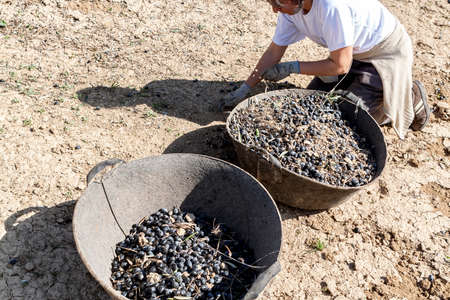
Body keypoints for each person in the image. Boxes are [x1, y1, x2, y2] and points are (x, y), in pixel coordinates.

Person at [219, 0, 430, 139]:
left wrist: (293, 67)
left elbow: (340, 65)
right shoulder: (290, 9)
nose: (274, 8)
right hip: (350, 53)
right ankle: (361, 87)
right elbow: (274, 51)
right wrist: (245, 88)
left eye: (277, 1)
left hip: (382, 53)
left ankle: (411, 98)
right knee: (313, 102)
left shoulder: (331, 7)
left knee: (347, 115)